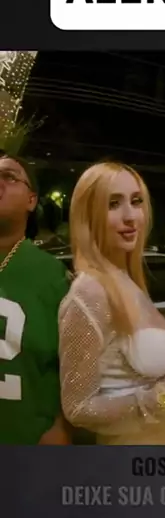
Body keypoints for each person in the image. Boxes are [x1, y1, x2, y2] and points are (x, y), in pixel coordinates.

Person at [59, 162, 165, 445]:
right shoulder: (89, 293)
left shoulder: (127, 282)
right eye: (113, 204)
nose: (131, 216)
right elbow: (79, 409)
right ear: (88, 215)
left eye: (136, 201)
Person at [0, 154, 71, 444]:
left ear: (31, 200)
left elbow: (73, 370)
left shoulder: (55, 276)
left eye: (9, 176)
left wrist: (60, 427)